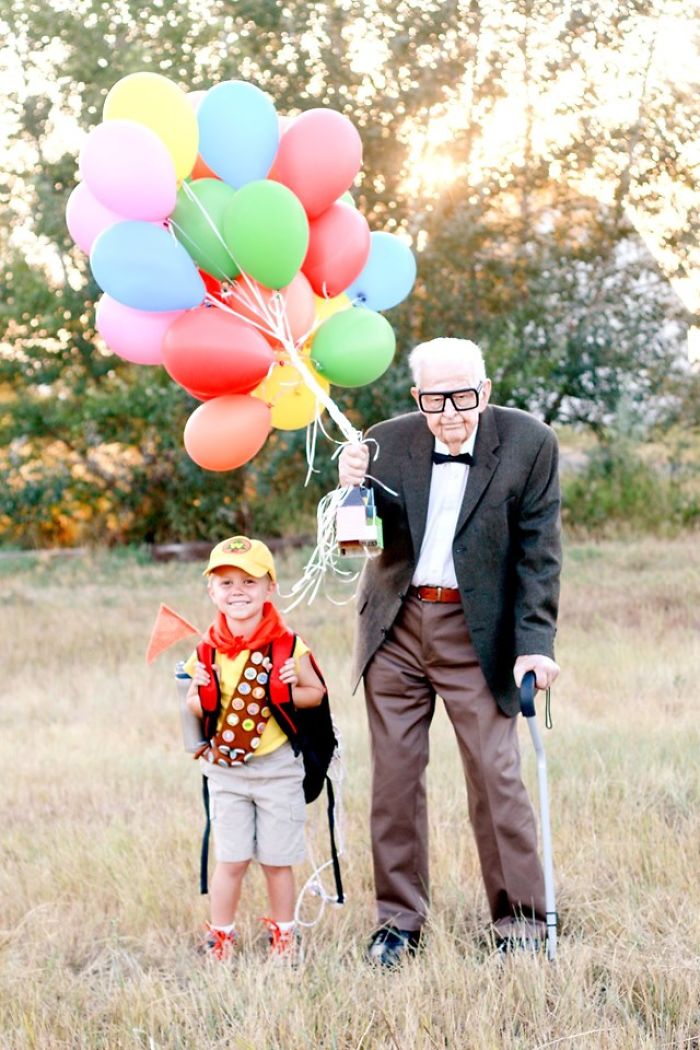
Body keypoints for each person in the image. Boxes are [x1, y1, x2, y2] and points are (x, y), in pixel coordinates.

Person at [338, 337, 561, 967]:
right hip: (396, 627)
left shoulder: (530, 442)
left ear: (484, 391)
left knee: (496, 775)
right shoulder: (385, 441)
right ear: (418, 398)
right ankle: (398, 925)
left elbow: (540, 553)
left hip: (478, 630)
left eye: (463, 397)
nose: (450, 412)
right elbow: (363, 539)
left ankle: (521, 923)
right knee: (395, 780)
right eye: (435, 400)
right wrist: (350, 487)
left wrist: (535, 645)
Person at [183, 535, 325, 961]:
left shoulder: (288, 645)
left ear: (269, 588)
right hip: (226, 771)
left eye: (249, 581)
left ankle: (284, 935)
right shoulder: (206, 649)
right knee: (231, 859)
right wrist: (199, 690)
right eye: (226, 583)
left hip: (277, 768)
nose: (238, 591)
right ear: (212, 591)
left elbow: (315, 693)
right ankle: (221, 936)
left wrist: (290, 686)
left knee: (277, 861)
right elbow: (192, 704)